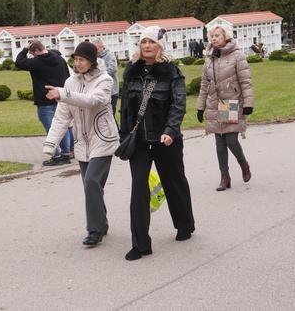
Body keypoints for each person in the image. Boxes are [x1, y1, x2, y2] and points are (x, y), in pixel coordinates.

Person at [120, 26, 195, 261]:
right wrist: (124, 135)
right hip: (139, 142)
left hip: (166, 140)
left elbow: (178, 104)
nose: (147, 46)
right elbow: (126, 108)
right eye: (143, 42)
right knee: (138, 188)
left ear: (160, 45)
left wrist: (171, 131)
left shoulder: (171, 71)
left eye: (151, 42)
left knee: (174, 182)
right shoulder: (131, 72)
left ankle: (184, 224)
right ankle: (140, 244)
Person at [43, 42, 119, 247]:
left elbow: (93, 101)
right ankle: (101, 223)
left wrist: (63, 95)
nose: (78, 63)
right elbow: (61, 117)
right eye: (75, 59)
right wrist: (51, 145)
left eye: (82, 60)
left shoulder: (105, 79)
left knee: (92, 182)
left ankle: (94, 230)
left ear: (92, 61)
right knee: (92, 187)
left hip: (103, 140)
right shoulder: (70, 82)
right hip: (82, 143)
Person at [197, 26, 254, 191]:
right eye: (211, 36)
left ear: (225, 37)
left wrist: (248, 103)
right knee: (219, 142)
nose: (214, 39)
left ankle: (243, 164)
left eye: (217, 36)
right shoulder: (209, 58)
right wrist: (200, 107)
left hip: (230, 101)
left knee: (231, 140)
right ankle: (225, 176)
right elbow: (204, 84)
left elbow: (246, 81)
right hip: (214, 103)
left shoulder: (237, 55)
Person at [16, 40, 73, 166]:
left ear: (36, 51)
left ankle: (56, 155)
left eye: (32, 53)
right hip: (61, 97)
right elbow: (68, 77)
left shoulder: (37, 62)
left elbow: (19, 62)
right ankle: (66, 155)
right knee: (63, 126)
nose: (32, 56)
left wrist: (25, 49)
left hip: (44, 99)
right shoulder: (59, 59)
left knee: (51, 129)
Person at [94, 39, 119, 116]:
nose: (96, 51)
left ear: (102, 47)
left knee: (111, 116)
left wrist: (99, 73)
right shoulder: (95, 57)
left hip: (112, 91)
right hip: (101, 91)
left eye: (97, 49)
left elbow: (113, 69)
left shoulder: (110, 55)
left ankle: (116, 128)